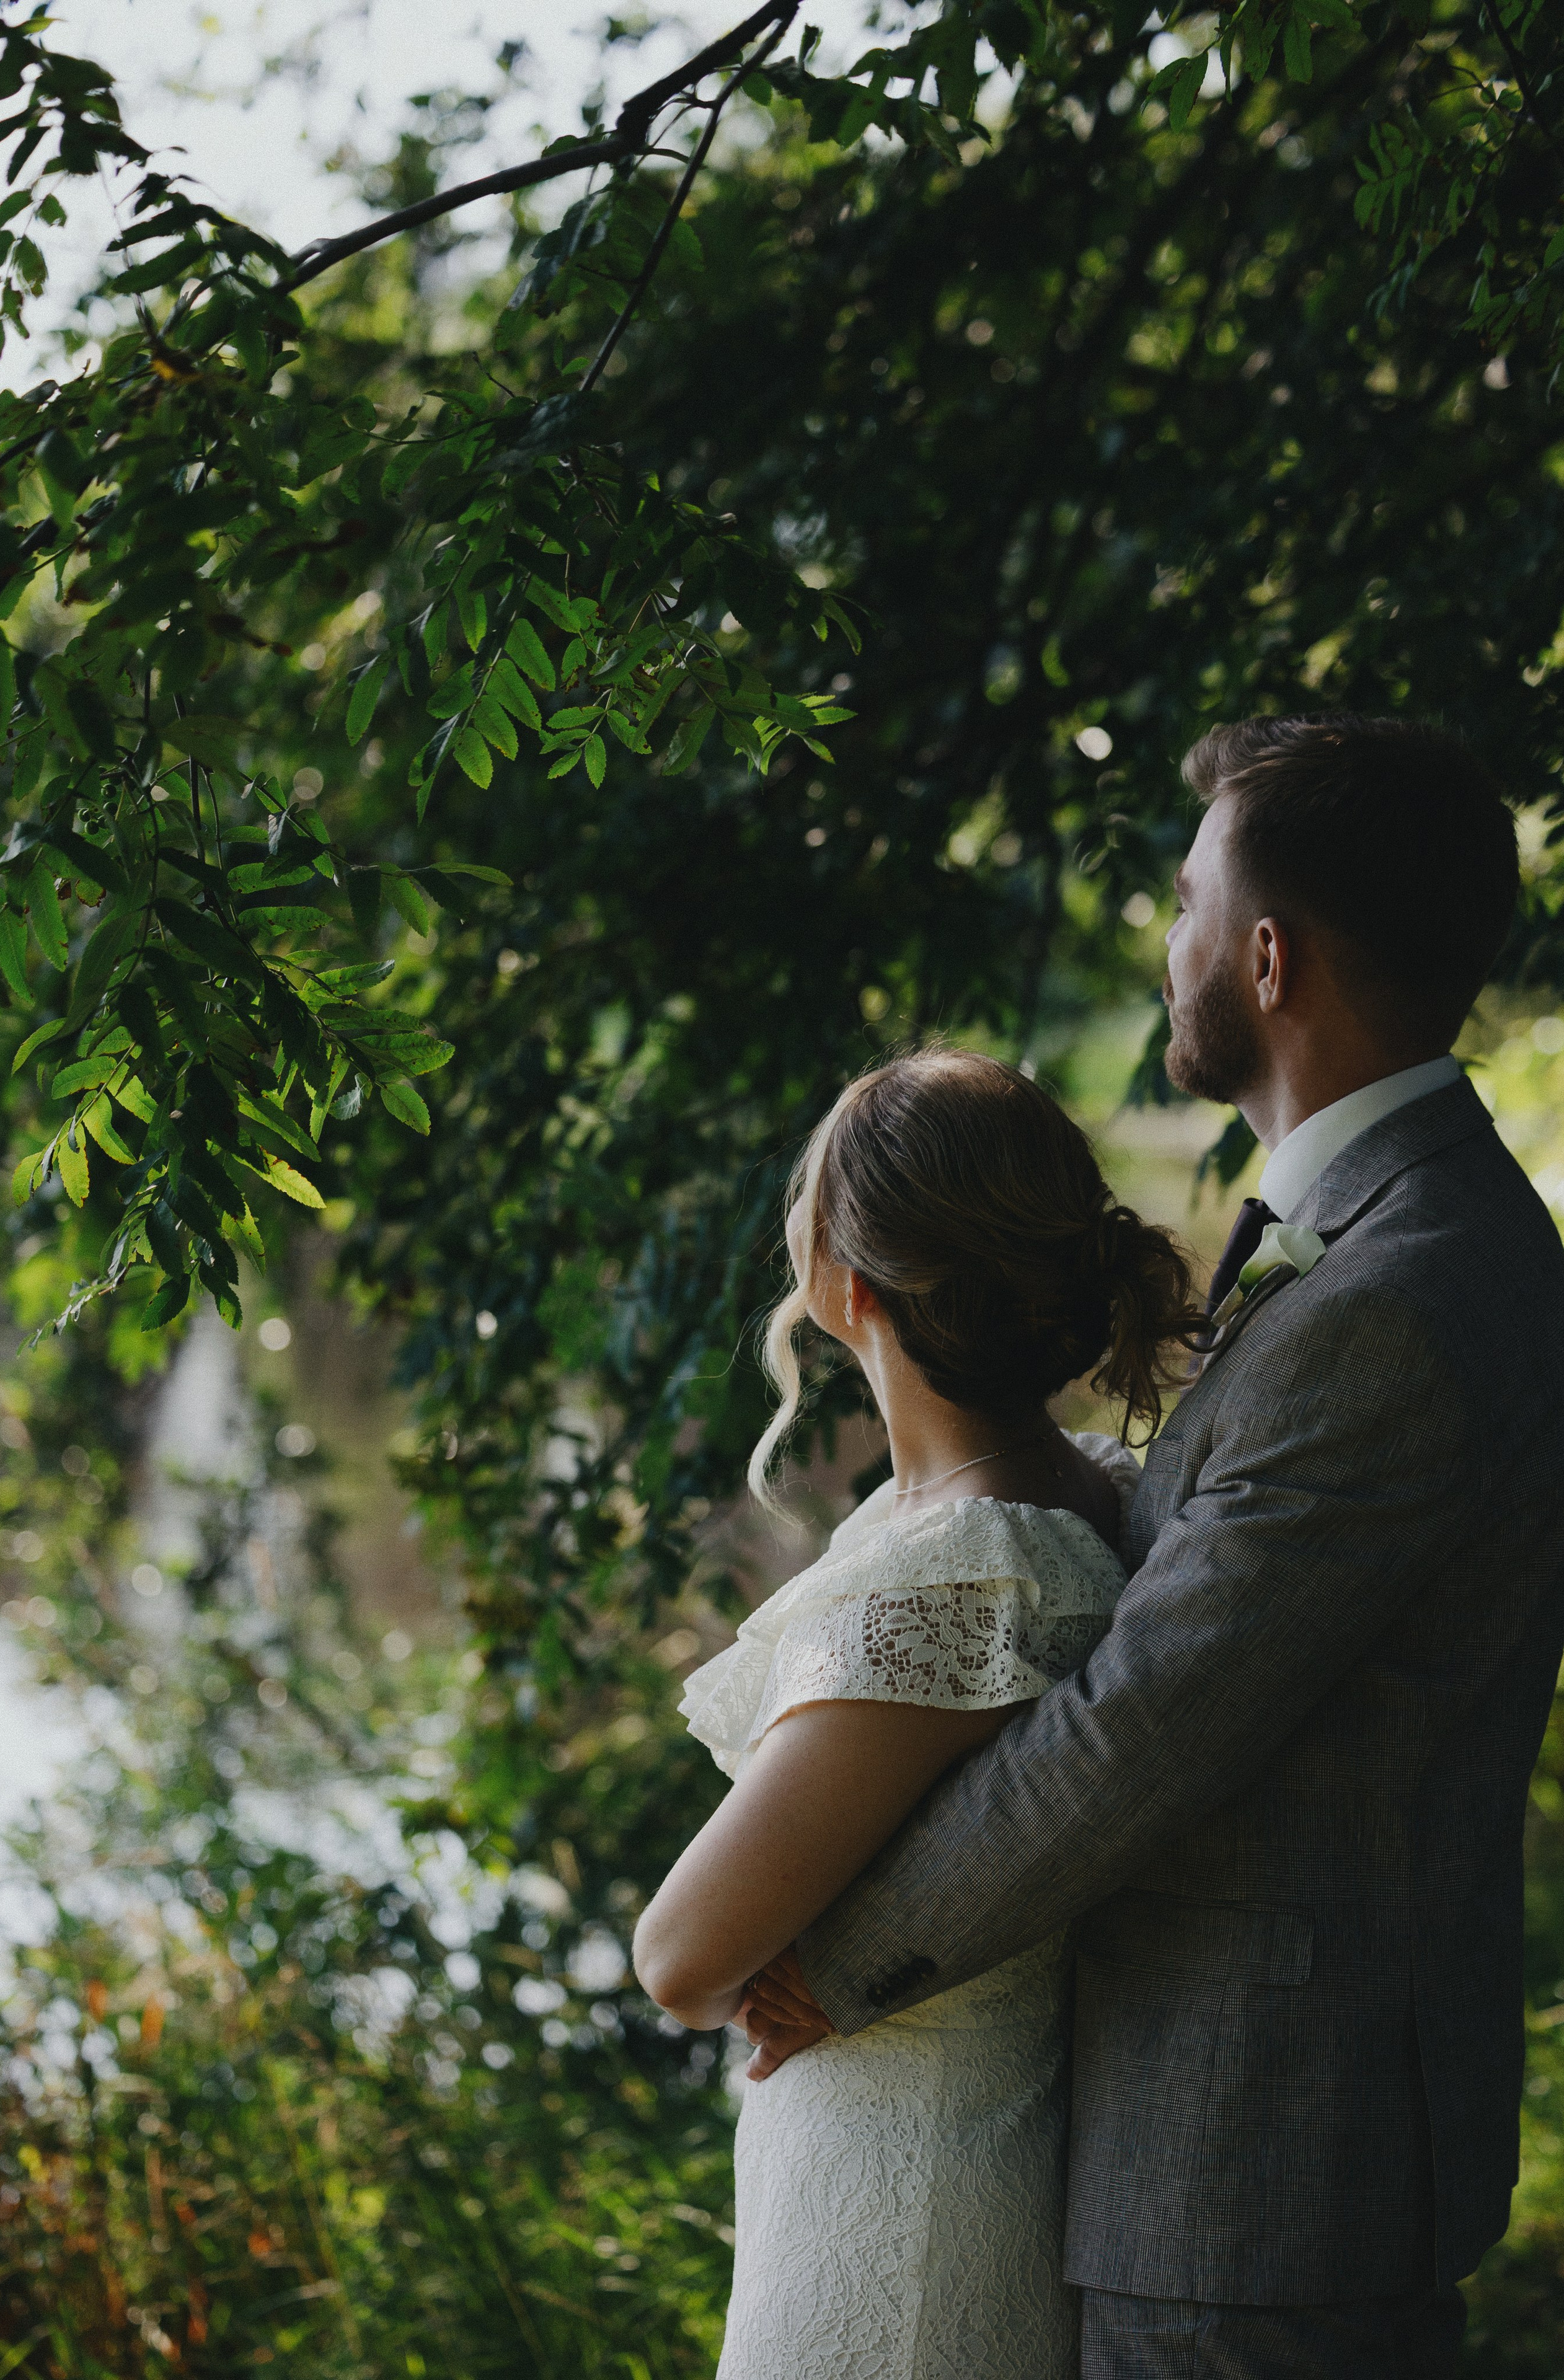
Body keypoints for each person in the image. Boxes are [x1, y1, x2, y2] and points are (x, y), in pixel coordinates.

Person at [744, 713, 1564, 2379]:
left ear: (1267, 957)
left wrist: (841, 1953)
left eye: (1187, 903)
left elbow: (1142, 1720)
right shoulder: (1406, 1230)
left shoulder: (1398, 1296)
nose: (1167, 940)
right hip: (1272, 2151)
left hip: (1257, 2164)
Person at [633, 1046, 1201, 2378]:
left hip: (899, 2216)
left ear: (844, 1291)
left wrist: (770, 1950)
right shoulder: (1087, 1497)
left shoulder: (962, 1569)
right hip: (940, 2164)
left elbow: (678, 1956)